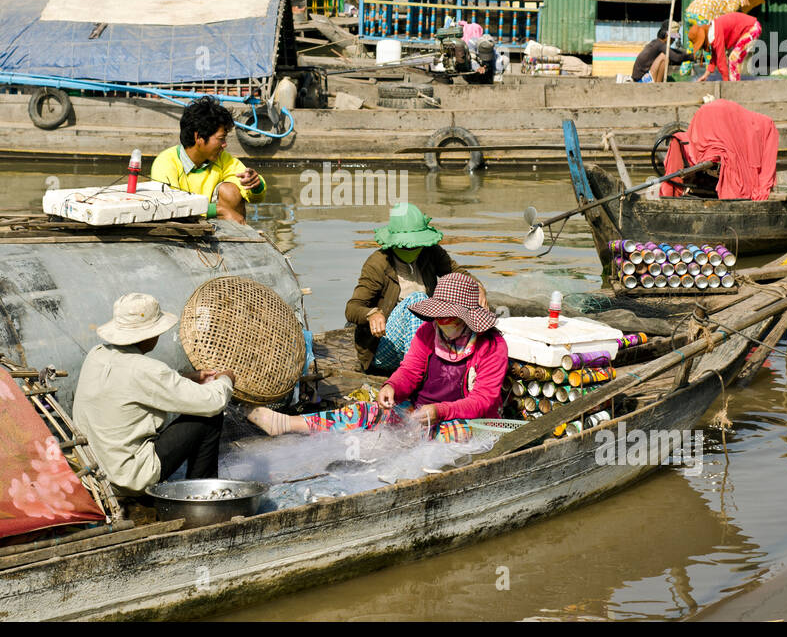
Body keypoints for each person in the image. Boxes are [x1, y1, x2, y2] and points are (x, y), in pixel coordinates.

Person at [249, 272, 506, 439]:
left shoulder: (492, 345)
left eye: (450, 318)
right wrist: (392, 387)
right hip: (421, 411)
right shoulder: (428, 332)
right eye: (439, 317)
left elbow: (483, 400)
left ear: (467, 318)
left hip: (472, 422)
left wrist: (440, 411)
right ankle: (288, 424)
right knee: (369, 412)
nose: (442, 322)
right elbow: (410, 371)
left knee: (439, 436)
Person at [72, 292, 237, 498]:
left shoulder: (96, 355)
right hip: (127, 479)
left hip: (92, 473)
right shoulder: (146, 370)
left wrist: (187, 378)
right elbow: (213, 402)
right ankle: (203, 494)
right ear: (149, 335)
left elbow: (131, 383)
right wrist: (226, 379)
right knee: (209, 417)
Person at [345, 202, 468, 374]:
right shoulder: (378, 263)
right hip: (384, 348)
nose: (410, 249)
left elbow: (457, 273)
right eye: (405, 245)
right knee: (417, 300)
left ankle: (432, 365)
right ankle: (421, 374)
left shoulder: (430, 252)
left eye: (415, 245)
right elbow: (352, 308)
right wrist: (372, 314)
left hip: (429, 336)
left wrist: (477, 288)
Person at [148, 95, 266, 224]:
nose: (225, 144)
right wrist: (220, 210)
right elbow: (170, 205)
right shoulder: (165, 162)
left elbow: (253, 195)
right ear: (199, 137)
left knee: (230, 191)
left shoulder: (223, 158)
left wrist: (255, 184)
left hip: (215, 227)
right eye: (221, 138)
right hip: (178, 230)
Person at [690, 11, 763, 82]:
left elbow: (721, 60)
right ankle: (735, 84)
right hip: (751, 28)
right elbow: (715, 57)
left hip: (753, 28)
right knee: (734, 60)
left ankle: (734, 87)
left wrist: (726, 82)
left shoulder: (716, 34)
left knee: (733, 59)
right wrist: (705, 75)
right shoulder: (713, 31)